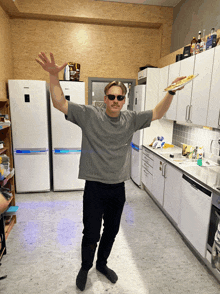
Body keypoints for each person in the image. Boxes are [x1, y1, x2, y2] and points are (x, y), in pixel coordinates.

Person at [36, 52, 185, 291]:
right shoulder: (89, 115)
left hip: (118, 187)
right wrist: (54, 76)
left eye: (120, 97)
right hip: (94, 186)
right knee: (91, 232)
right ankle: (85, 267)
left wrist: (172, 91)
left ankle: (102, 264)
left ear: (124, 100)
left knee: (112, 231)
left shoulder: (131, 119)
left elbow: (158, 113)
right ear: (104, 99)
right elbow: (59, 103)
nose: (116, 101)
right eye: (111, 97)